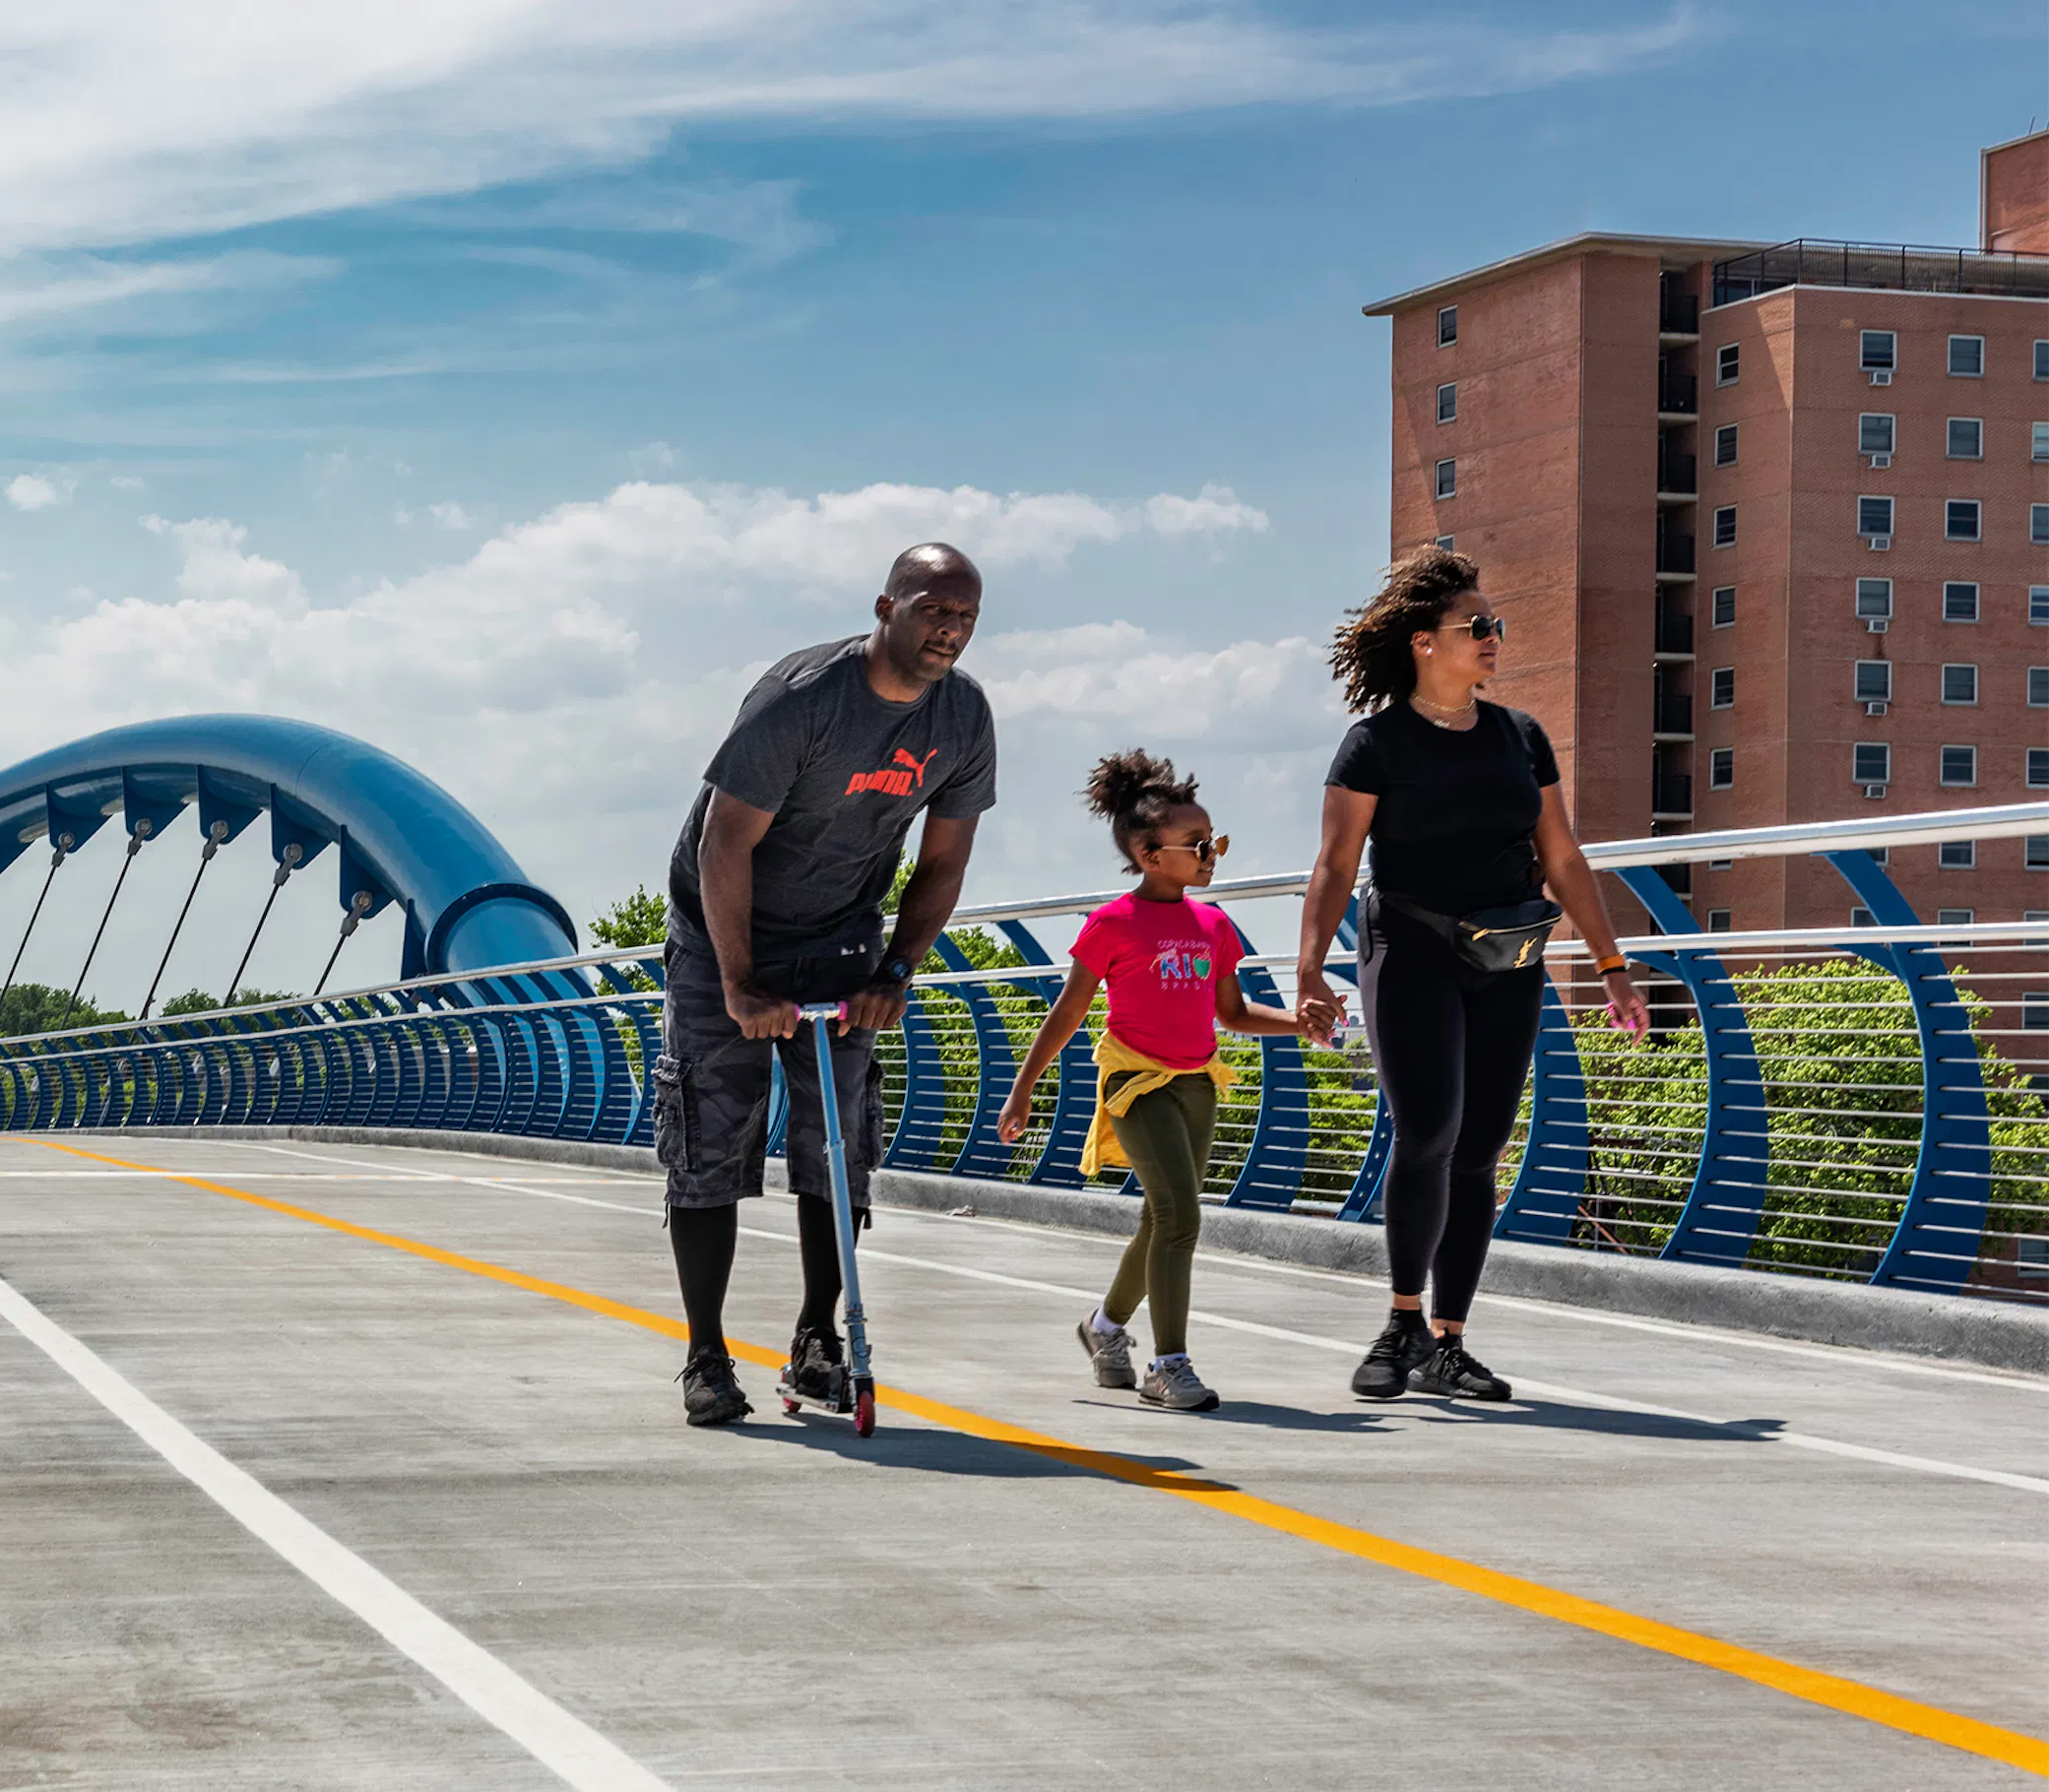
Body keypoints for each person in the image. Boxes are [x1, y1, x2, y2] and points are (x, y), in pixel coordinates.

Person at [1293, 549, 1647, 1402]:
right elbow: (1337, 863)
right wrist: (1309, 967)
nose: (1493, 638)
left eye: (1496, 626)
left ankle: (1449, 1340)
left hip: (1509, 957)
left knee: (1482, 1148)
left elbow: (1561, 855)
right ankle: (1401, 1322)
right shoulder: (1376, 743)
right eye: (1475, 627)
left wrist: (1611, 966)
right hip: (1409, 949)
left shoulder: (1520, 736)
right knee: (1428, 1134)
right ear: (1424, 643)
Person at [661, 544, 996, 1427]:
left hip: (841, 937)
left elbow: (944, 860)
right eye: (933, 610)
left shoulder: (960, 718)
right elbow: (722, 845)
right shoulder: (803, 699)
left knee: (836, 1144)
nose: (950, 630)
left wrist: (896, 971)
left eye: (964, 616)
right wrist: (737, 984)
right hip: (721, 932)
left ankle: (819, 1340)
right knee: (708, 1143)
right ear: (887, 606)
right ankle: (705, 1354)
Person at [993, 753, 1339, 1411]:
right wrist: (1023, 1088)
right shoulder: (1113, 924)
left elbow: (1232, 1014)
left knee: (1161, 1220)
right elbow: (1068, 1012)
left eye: (1215, 842)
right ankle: (1168, 1364)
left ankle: (1101, 1329)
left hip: (1196, 1084)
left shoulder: (1213, 926)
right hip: (1135, 1085)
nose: (1212, 855)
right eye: (1198, 845)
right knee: (1181, 1217)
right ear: (1149, 854)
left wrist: (1301, 1023)